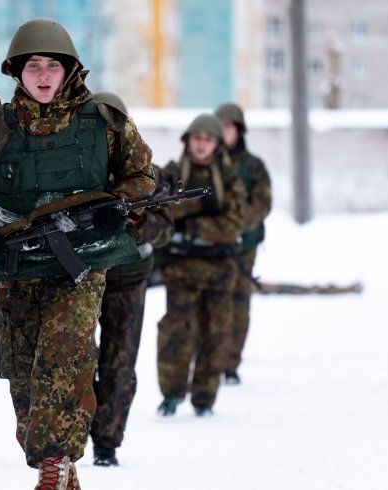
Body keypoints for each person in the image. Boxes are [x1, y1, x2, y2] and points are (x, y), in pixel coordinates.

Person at [0, 19, 156, 490]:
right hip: (15, 267)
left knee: (63, 358)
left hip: (80, 266)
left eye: (52, 65)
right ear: (16, 72)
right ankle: (56, 467)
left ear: (70, 70)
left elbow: (143, 176)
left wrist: (119, 208)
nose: (43, 75)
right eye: (33, 66)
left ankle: (55, 463)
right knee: (26, 381)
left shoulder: (105, 125)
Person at [88, 92, 174, 467]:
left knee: (119, 362)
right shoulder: (77, 169)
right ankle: (69, 441)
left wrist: (133, 226)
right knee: (73, 362)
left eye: (113, 125)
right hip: (81, 276)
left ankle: (107, 442)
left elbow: (165, 226)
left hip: (128, 280)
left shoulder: (147, 172)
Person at [156, 114, 245, 417]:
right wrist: (197, 215)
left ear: (217, 144)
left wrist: (192, 225)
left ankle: (204, 399)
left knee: (215, 334)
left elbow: (234, 223)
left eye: (208, 139)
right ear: (187, 140)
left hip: (220, 269)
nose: (202, 145)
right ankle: (171, 394)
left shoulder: (228, 178)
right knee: (176, 333)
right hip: (180, 269)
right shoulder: (172, 174)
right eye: (197, 138)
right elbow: (161, 213)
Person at [214, 102, 272, 385]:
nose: (224, 131)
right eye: (220, 125)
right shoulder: (204, 161)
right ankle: (209, 360)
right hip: (210, 245)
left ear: (239, 130)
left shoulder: (252, 166)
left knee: (238, 302)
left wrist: (237, 224)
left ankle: (231, 363)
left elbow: (262, 202)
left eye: (229, 126)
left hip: (242, 245)